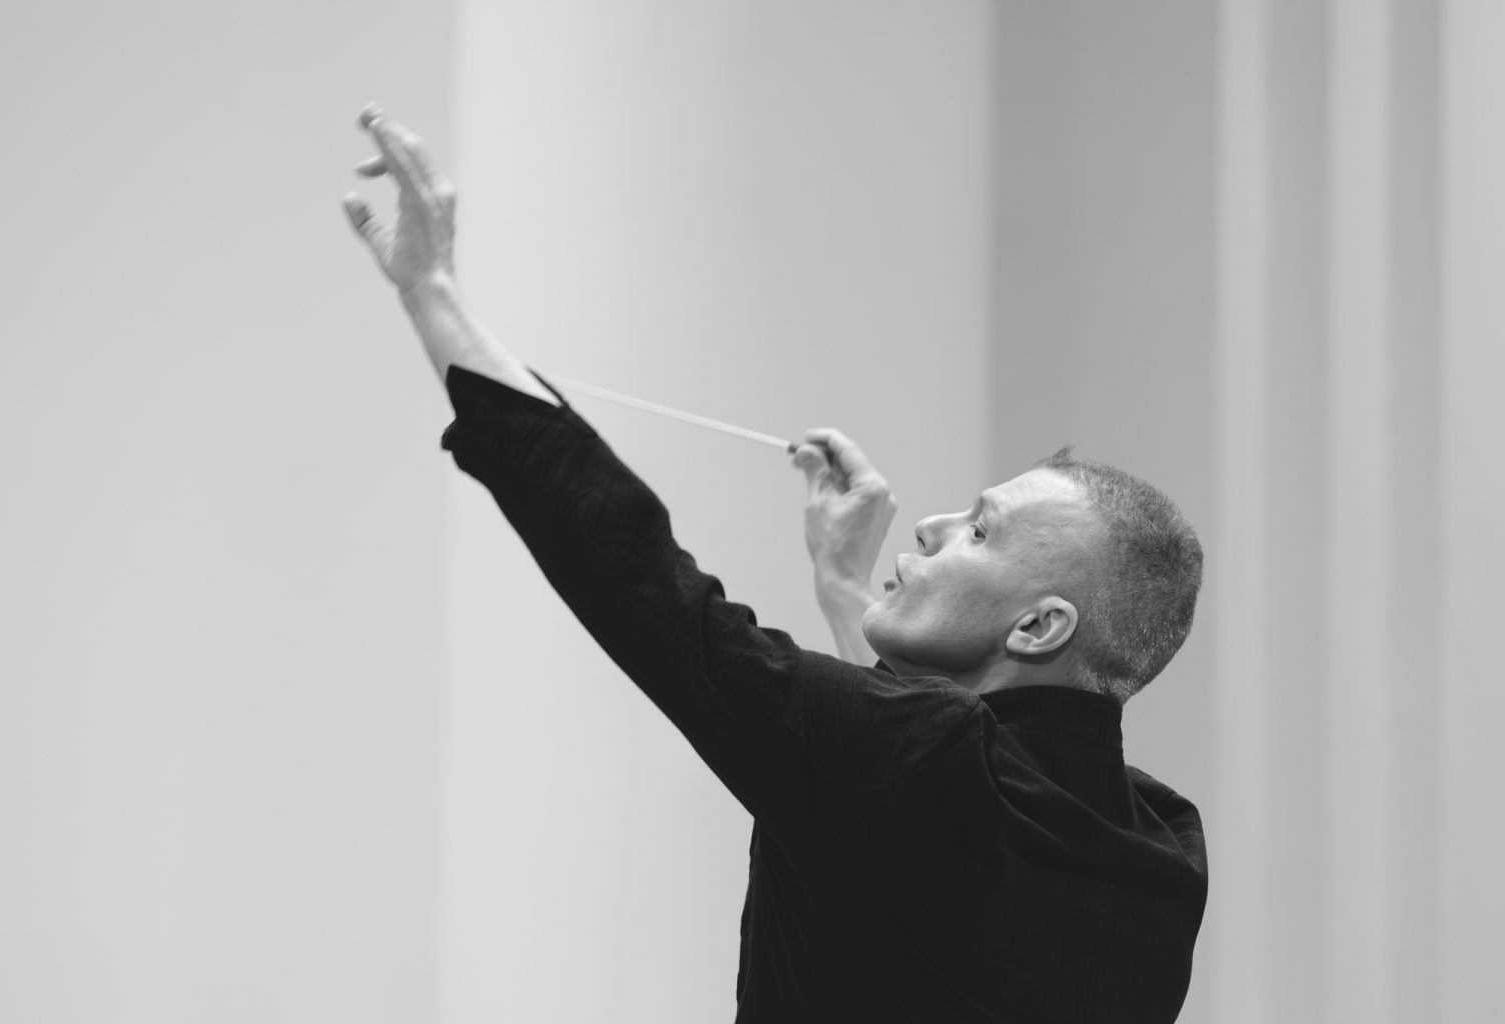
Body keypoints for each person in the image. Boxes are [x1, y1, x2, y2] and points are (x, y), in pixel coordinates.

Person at [342, 104, 1208, 1024]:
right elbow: (908, 822)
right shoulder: (1161, 848)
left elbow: (645, 583)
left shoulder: (922, 762)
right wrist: (844, 591)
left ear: (1038, 626)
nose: (931, 526)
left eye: (980, 532)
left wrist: (432, 295)